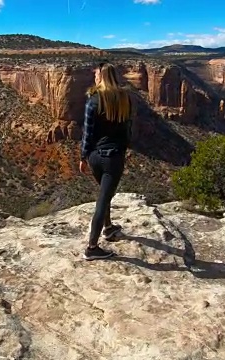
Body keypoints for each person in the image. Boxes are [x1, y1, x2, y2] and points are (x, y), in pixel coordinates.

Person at [79, 62, 133, 261]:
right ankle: (92, 248)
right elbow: (128, 129)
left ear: (100, 77)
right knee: (104, 198)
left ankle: (108, 228)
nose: (94, 78)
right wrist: (124, 149)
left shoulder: (93, 100)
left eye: (95, 75)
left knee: (104, 193)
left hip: (95, 156)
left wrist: (83, 157)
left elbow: (87, 133)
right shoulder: (124, 98)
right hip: (113, 158)